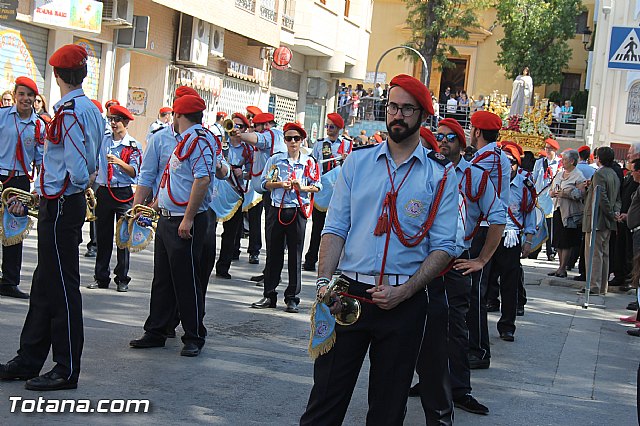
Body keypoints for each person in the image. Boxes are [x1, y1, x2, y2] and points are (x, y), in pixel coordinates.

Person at [300, 74, 458, 425]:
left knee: (388, 410)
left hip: (405, 302)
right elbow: (335, 228)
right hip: (347, 295)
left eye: (406, 108)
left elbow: (446, 245)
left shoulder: (440, 175)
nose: (397, 115)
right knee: (323, 403)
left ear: (422, 115)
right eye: (392, 107)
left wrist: (405, 291)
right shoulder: (357, 162)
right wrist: (324, 284)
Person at [0, 44, 103, 390]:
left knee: (61, 287)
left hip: (61, 204)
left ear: (57, 75)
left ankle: (66, 367)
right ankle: (29, 357)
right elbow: (94, 161)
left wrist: (68, 186)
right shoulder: (89, 109)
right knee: (45, 285)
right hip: (61, 202)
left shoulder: (70, 111)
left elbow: (75, 167)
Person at [411, 118, 505, 421]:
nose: (442, 141)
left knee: (455, 327)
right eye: (439, 136)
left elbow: (498, 216)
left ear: (462, 143)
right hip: (421, 260)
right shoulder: (427, 170)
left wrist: (481, 260)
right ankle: (427, 380)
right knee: (416, 322)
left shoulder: (475, 176)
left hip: (455, 260)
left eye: (450, 137)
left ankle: (460, 389)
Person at [130, 94, 227, 357]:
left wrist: (188, 218)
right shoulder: (180, 139)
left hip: (186, 219)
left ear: (179, 115)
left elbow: (203, 180)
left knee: (188, 280)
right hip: (167, 216)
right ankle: (157, 330)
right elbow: (160, 176)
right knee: (162, 278)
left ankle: (194, 335)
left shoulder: (201, 140)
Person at [251, 122, 321, 313]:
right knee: (273, 253)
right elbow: (264, 182)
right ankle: (269, 294)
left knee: (295, 255)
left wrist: (301, 188)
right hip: (277, 209)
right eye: (289, 138)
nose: (292, 142)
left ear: (302, 140)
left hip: (298, 210)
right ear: (284, 140)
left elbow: (317, 186)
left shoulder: (309, 161)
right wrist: (279, 184)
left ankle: (292, 297)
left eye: (296, 138)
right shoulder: (275, 160)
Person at [465, 110, 511, 370]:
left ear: (478, 132)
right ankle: (475, 347)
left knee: (475, 292)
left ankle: (479, 349)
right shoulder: (492, 155)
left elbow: (467, 182)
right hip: (483, 226)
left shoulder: (489, 157)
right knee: (473, 291)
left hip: (483, 228)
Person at [0, 77, 46, 299]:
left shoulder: (39, 125)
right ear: (15, 95)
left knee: (14, 230)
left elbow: (42, 161)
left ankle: (9, 281)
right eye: (21, 94)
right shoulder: (2, 116)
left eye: (30, 95)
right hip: (0, 176)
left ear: (35, 99)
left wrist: (37, 188)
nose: (25, 99)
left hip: (19, 181)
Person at [88, 105, 141, 292]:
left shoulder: (132, 145)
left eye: (117, 120)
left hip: (123, 192)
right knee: (103, 236)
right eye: (111, 119)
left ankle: (122, 277)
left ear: (126, 122)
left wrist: (119, 162)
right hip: (104, 189)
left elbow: (135, 171)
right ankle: (101, 276)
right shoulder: (104, 140)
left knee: (123, 237)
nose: (113, 123)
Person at [486, 143, 536, 342]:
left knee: (510, 284)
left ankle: (507, 325)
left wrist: (529, 239)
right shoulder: (490, 180)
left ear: (518, 164)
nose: (508, 165)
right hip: (489, 235)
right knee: (485, 282)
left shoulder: (525, 186)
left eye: (512, 162)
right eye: (503, 161)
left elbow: (529, 212)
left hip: (511, 238)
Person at [235, 112, 286, 283]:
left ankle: (271, 276)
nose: (253, 129)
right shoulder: (274, 135)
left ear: (265, 126)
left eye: (255, 126)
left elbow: (258, 139)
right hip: (269, 191)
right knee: (271, 233)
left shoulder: (270, 135)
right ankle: (269, 272)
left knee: (273, 235)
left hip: (273, 192)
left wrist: (239, 135)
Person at [303, 113, 352, 272]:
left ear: (339, 129)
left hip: (339, 192)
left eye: (332, 127)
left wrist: (346, 159)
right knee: (317, 227)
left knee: (338, 228)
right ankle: (310, 259)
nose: (329, 130)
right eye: (327, 126)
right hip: (323, 190)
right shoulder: (319, 144)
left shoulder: (347, 145)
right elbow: (312, 164)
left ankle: (336, 263)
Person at [215, 112, 252, 279]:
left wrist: (242, 172)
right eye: (233, 125)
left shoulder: (248, 150)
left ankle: (223, 267)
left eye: (240, 126)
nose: (235, 129)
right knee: (209, 230)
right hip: (217, 193)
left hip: (235, 193)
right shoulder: (220, 145)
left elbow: (254, 172)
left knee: (230, 234)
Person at [581, 146, 621, 295]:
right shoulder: (614, 174)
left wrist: (611, 213)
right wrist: (615, 212)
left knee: (594, 254)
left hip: (597, 219)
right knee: (604, 254)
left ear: (599, 158)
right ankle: (602, 285)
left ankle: (593, 286)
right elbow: (617, 198)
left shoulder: (599, 174)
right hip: (608, 221)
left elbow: (600, 198)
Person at [546, 150, 586, 278]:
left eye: (564, 160)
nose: (562, 162)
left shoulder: (578, 176)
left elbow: (581, 194)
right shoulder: (559, 174)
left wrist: (566, 193)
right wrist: (552, 193)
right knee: (558, 240)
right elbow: (552, 189)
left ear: (572, 161)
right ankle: (559, 266)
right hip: (558, 209)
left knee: (567, 240)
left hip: (569, 212)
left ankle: (563, 267)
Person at [610, 144, 640, 290]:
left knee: (632, 253)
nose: (628, 156)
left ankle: (630, 278)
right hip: (625, 219)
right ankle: (621, 275)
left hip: (634, 223)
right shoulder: (630, 174)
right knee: (621, 248)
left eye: (630, 153)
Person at [531, 138, 561, 261]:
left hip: (551, 199)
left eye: (549, 149)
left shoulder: (559, 164)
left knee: (550, 226)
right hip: (540, 197)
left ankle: (551, 250)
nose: (547, 151)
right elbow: (534, 178)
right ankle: (535, 249)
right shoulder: (539, 163)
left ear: (555, 150)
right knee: (538, 224)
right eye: (546, 148)